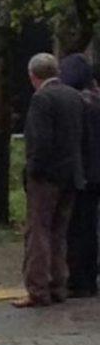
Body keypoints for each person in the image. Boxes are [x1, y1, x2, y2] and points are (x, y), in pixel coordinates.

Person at [14, 53, 85, 308]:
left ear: (33, 75)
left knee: (38, 232)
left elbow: (39, 141)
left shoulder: (42, 99)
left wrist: (32, 171)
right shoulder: (75, 97)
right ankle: (58, 285)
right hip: (71, 174)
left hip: (46, 178)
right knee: (59, 232)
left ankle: (37, 289)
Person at [60, 53, 100, 297]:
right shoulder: (96, 102)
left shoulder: (75, 105)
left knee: (79, 228)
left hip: (83, 174)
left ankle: (81, 280)